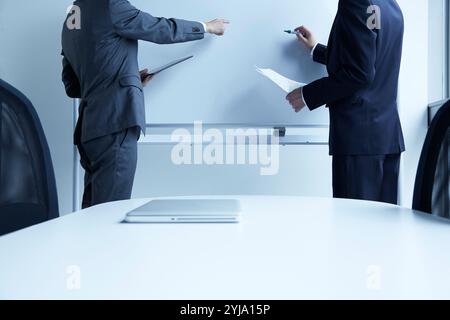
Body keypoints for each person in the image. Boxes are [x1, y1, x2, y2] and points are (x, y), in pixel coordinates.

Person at [62, 0, 228, 208]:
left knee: (92, 211)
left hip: (90, 129)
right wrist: (206, 27)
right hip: (115, 123)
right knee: (107, 213)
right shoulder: (111, 4)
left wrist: (128, 79)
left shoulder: (72, 17)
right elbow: (159, 29)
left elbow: (72, 86)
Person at [286, 0, 405, 205]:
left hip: (358, 140)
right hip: (385, 137)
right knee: (383, 229)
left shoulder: (356, 3)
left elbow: (359, 74)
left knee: (355, 229)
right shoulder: (388, 6)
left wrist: (308, 94)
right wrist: (316, 49)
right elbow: (368, 58)